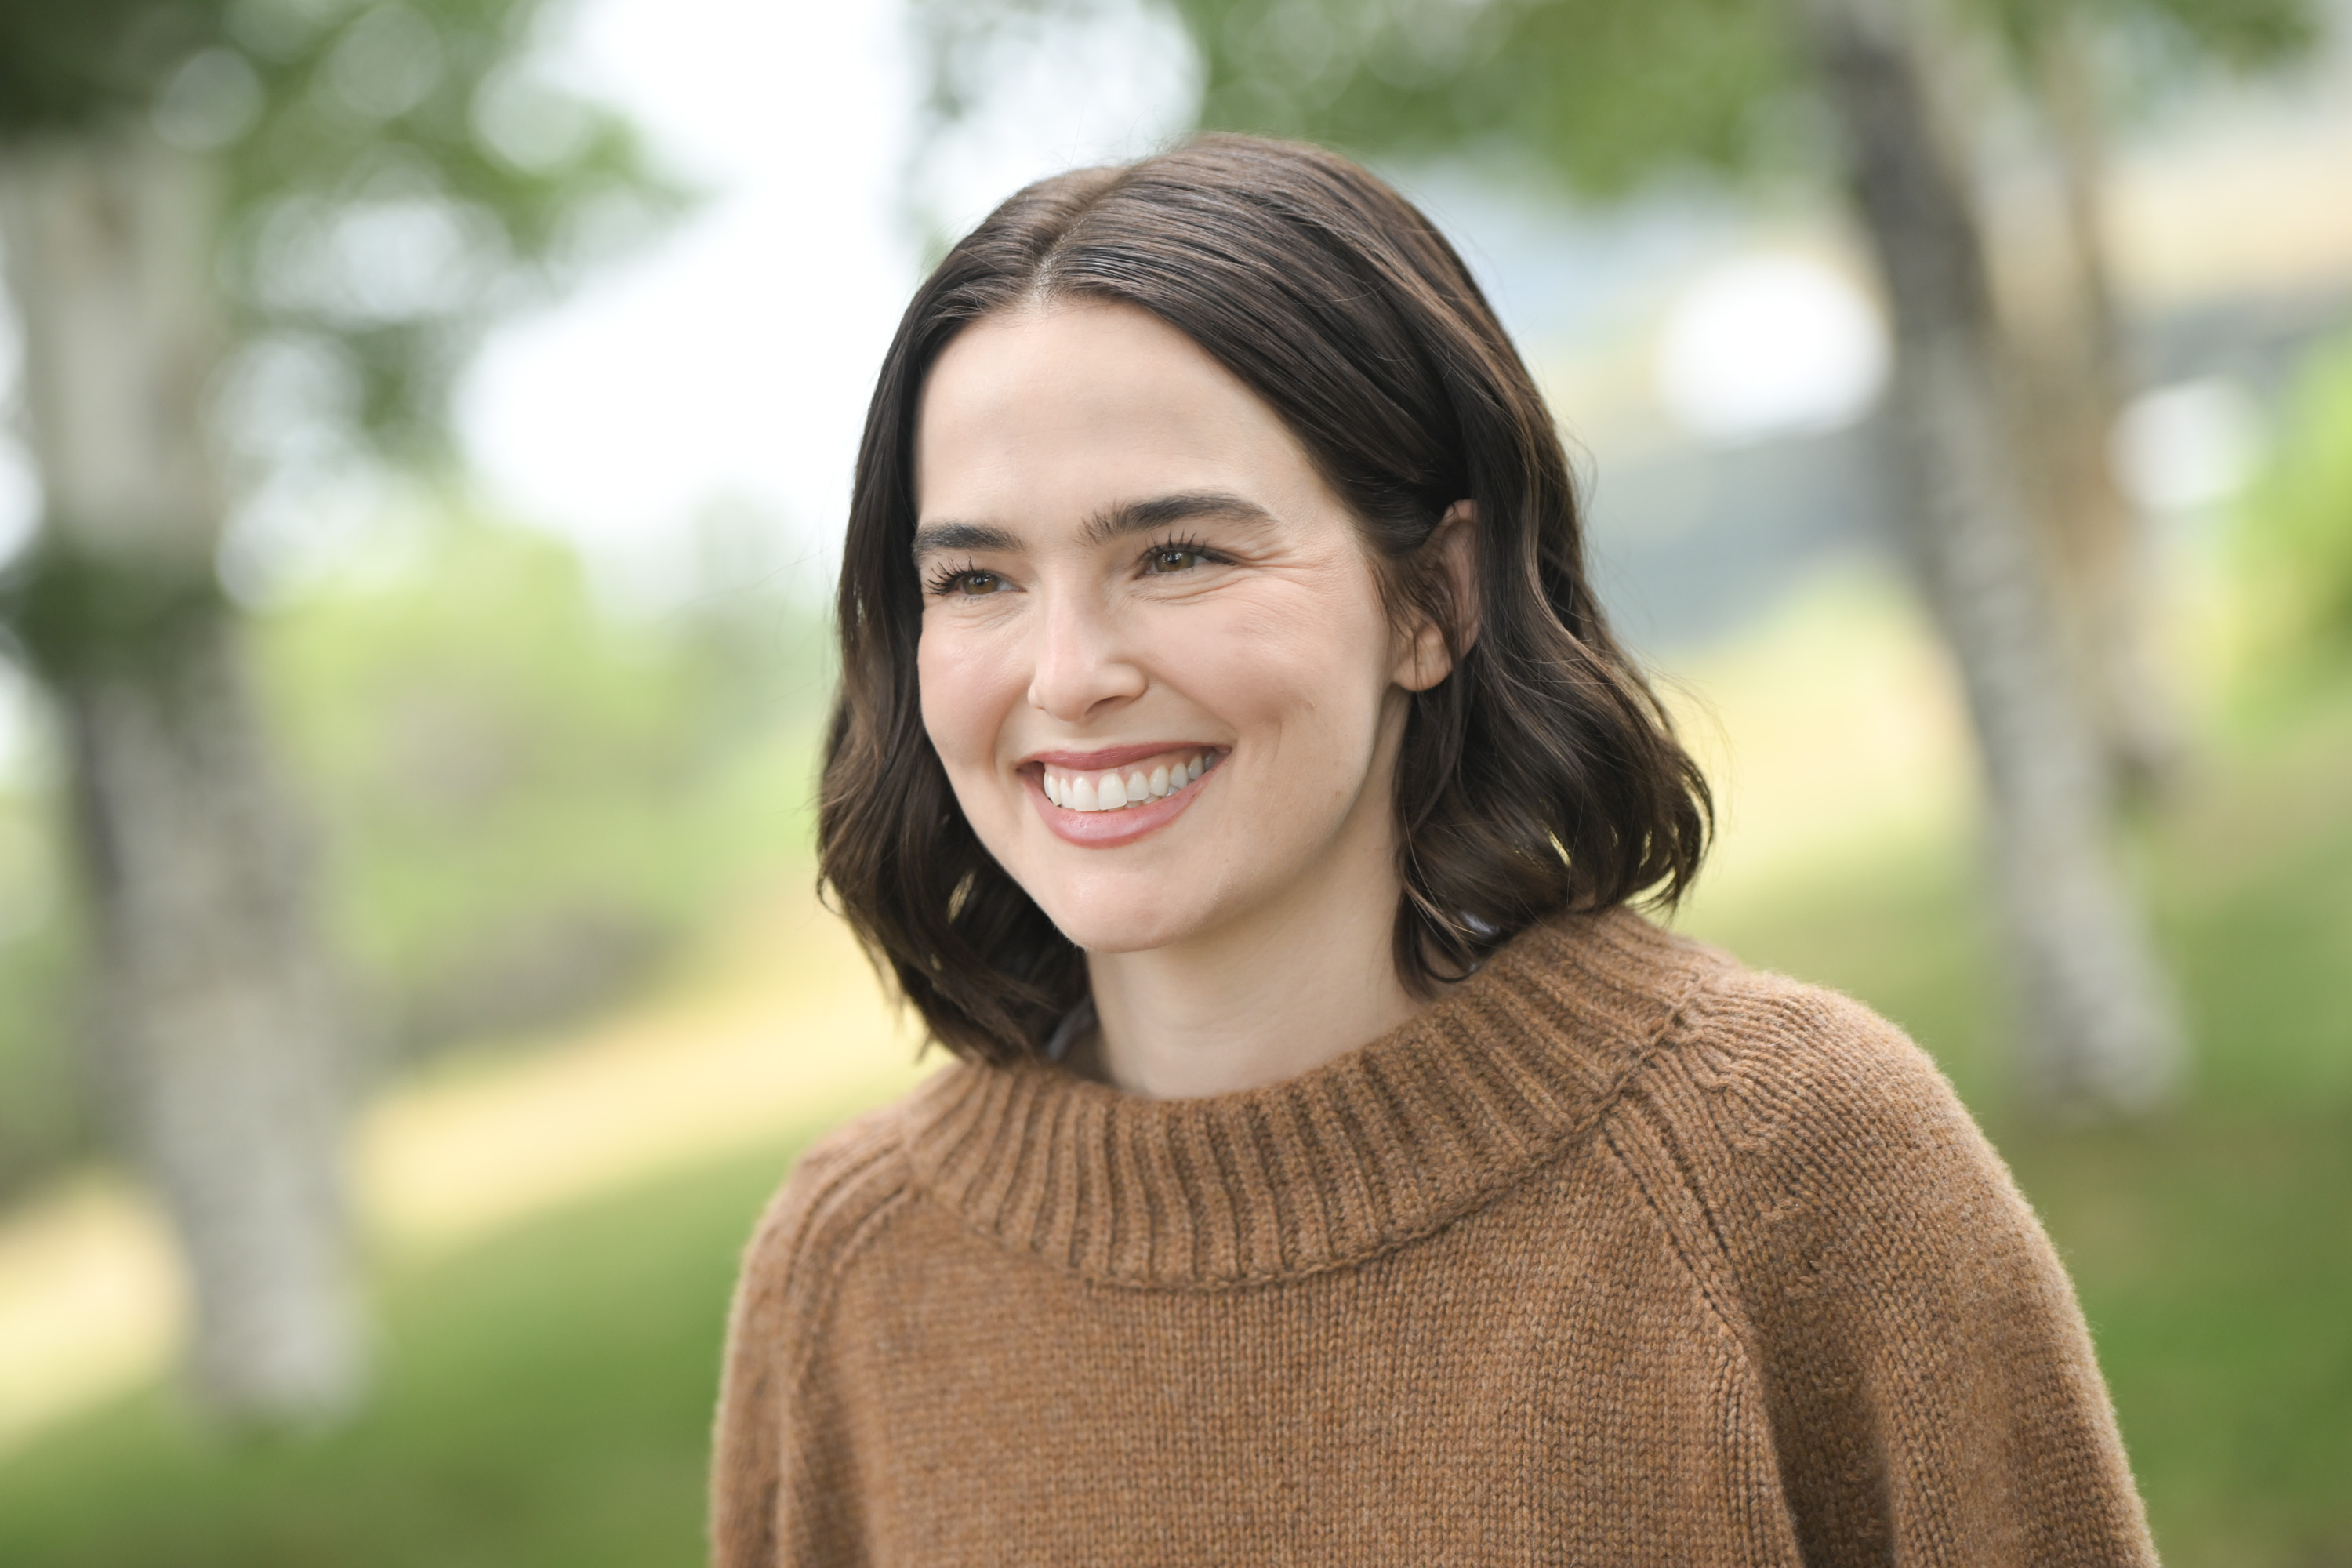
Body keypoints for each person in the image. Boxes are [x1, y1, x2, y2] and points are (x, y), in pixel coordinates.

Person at [710, 135, 2156, 1566]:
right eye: (975, 579)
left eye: (1180, 553)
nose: (1069, 671)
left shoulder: (1797, 1166)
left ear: (1434, 599)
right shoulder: (849, 1276)